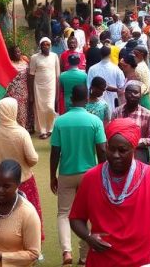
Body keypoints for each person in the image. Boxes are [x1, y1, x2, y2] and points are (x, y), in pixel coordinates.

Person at [69, 118, 150, 267]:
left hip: (142, 261)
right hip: (102, 260)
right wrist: (88, 237)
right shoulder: (91, 177)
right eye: (111, 149)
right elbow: (75, 218)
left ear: (134, 149)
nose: (115, 155)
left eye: (122, 150)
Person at [51, 84, 107, 265]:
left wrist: (53, 175)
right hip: (89, 175)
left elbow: (55, 151)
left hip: (66, 173)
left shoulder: (60, 121)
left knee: (63, 214)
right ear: (87, 98)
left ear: (71, 99)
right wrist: (103, 174)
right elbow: (101, 150)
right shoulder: (95, 121)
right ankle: (84, 256)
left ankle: (67, 251)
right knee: (88, 214)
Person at [0, 98, 42, 235]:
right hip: (23, 182)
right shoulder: (22, 133)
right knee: (29, 215)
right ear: (13, 112)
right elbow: (33, 159)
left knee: (4, 217)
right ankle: (32, 244)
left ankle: (5, 242)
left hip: (0, 186)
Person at [112, 81, 150, 162]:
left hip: (139, 152)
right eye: (129, 92)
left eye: (136, 92)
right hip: (120, 153)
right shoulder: (117, 112)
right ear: (125, 94)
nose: (132, 95)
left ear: (140, 95)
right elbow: (112, 134)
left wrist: (133, 142)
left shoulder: (148, 114)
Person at [29, 38, 61, 139]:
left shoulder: (54, 56)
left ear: (50, 46)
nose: (46, 46)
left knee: (50, 108)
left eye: (48, 45)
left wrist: (58, 91)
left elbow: (57, 75)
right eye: (43, 45)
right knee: (40, 109)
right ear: (40, 46)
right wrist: (30, 93)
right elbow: (31, 75)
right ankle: (42, 130)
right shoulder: (35, 57)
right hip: (38, 87)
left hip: (51, 87)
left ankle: (50, 128)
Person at [5, 44, 32, 130]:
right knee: (13, 111)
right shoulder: (9, 64)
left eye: (19, 51)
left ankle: (23, 129)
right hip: (12, 92)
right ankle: (14, 130)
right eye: (16, 52)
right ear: (11, 54)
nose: (18, 53)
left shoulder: (25, 62)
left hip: (23, 91)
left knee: (23, 111)